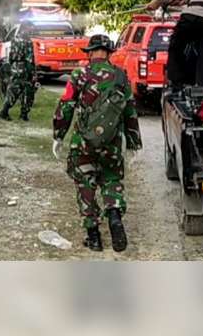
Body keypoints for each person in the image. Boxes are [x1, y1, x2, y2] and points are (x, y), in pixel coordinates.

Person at [52, 34, 143, 252]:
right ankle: (114, 216)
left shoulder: (79, 75)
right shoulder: (121, 76)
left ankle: (93, 236)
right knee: (111, 180)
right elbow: (130, 111)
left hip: (83, 142)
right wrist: (133, 143)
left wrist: (58, 135)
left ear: (91, 52)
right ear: (109, 52)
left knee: (86, 183)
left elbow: (66, 107)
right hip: (111, 142)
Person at [0, 22, 36, 121]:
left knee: (13, 91)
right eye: (30, 29)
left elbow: (11, 56)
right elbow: (29, 60)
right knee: (28, 92)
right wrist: (32, 73)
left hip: (15, 68)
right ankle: (23, 114)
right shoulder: (27, 42)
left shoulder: (14, 40)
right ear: (26, 29)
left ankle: (4, 111)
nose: (31, 31)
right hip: (24, 70)